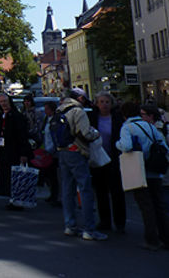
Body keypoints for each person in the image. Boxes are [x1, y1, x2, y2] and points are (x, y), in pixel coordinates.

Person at [54, 88, 105, 241]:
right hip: (76, 151)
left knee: (67, 190)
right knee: (85, 189)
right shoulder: (78, 111)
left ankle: (70, 225)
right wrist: (96, 133)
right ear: (80, 98)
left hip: (62, 151)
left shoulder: (60, 110)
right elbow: (85, 133)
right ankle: (89, 229)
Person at [116, 103, 169, 251]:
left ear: (124, 114)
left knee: (146, 206)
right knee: (159, 205)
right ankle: (165, 237)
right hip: (155, 170)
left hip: (139, 171)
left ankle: (151, 240)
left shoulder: (128, 127)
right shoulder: (150, 126)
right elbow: (164, 146)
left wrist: (117, 144)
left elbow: (126, 146)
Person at [89, 91, 126, 233]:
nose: (104, 104)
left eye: (107, 102)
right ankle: (105, 221)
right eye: (101, 102)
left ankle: (120, 222)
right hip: (98, 159)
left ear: (111, 104)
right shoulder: (92, 118)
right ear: (97, 104)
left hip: (114, 159)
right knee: (101, 192)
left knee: (117, 192)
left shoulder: (117, 118)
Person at [0, 92, 31, 210]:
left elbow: (22, 136)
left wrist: (24, 153)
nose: (4, 104)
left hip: (15, 151)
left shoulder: (17, 116)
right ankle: (12, 199)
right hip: (4, 152)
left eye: (5, 101)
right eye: (1, 102)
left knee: (17, 176)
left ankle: (18, 200)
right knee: (7, 177)